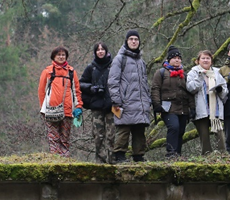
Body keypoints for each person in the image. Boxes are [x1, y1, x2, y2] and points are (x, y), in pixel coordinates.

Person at [108, 30, 151, 163]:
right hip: (124, 102)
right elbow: (112, 81)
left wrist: (147, 100)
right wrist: (116, 99)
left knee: (139, 130)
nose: (134, 41)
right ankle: (119, 156)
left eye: (136, 39)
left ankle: (138, 156)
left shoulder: (141, 62)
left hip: (140, 103)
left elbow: (144, 83)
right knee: (123, 130)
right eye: (131, 39)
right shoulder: (120, 59)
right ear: (126, 41)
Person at [38, 46, 83, 156]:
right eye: (59, 55)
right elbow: (41, 90)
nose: (61, 57)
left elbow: (76, 90)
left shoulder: (71, 72)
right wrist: (44, 107)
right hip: (50, 110)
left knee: (65, 137)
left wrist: (78, 106)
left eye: (63, 55)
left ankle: (65, 161)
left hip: (67, 110)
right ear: (54, 57)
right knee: (53, 138)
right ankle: (55, 160)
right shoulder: (47, 71)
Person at [151, 46, 193, 158]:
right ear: (169, 59)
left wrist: (192, 108)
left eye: (179, 58)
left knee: (181, 131)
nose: (177, 60)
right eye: (174, 58)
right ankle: (170, 153)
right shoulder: (161, 73)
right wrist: (157, 105)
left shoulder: (184, 75)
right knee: (173, 127)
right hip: (167, 107)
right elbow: (155, 88)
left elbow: (189, 93)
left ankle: (177, 154)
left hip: (183, 108)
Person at [79, 42, 115, 163]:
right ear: (95, 52)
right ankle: (100, 160)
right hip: (96, 105)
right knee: (98, 135)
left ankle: (112, 160)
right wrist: (91, 88)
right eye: (98, 50)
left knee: (112, 134)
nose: (100, 51)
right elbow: (81, 83)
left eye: (102, 49)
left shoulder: (114, 66)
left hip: (112, 105)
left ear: (106, 51)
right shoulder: (91, 67)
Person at [187, 50, 228, 155]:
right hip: (201, 109)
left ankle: (223, 157)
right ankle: (207, 158)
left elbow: (225, 90)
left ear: (211, 61)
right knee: (204, 136)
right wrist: (200, 77)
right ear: (198, 61)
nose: (205, 60)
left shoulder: (217, 72)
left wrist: (220, 90)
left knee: (220, 135)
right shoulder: (193, 72)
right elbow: (191, 88)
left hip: (216, 110)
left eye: (208, 58)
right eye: (203, 58)